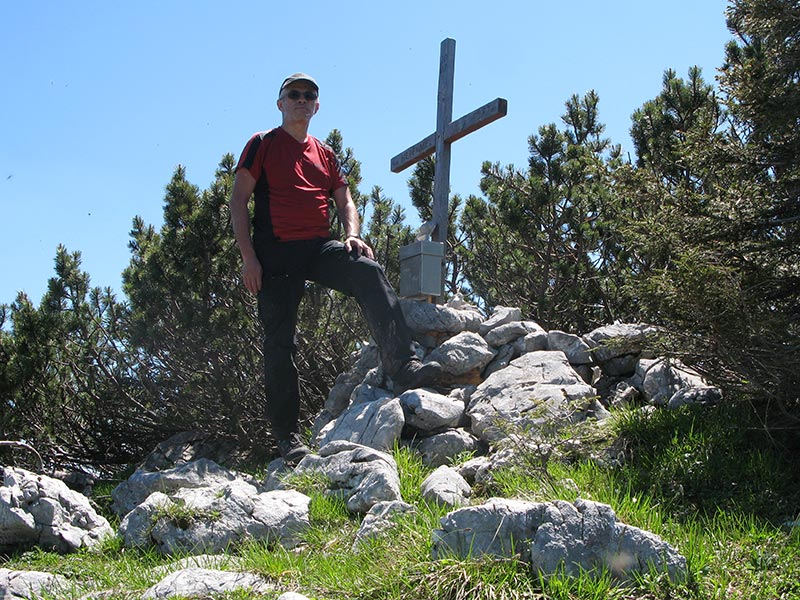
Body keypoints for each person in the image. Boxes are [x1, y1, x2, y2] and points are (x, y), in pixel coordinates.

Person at [230, 73, 442, 465]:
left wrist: (352, 234)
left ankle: (403, 364)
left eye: (309, 96)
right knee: (279, 343)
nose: (302, 100)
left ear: (317, 106)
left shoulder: (324, 154)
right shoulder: (262, 144)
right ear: (280, 103)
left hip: (316, 246)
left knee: (365, 269)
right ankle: (288, 439)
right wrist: (249, 258)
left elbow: (345, 201)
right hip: (273, 253)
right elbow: (238, 201)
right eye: (293, 95)